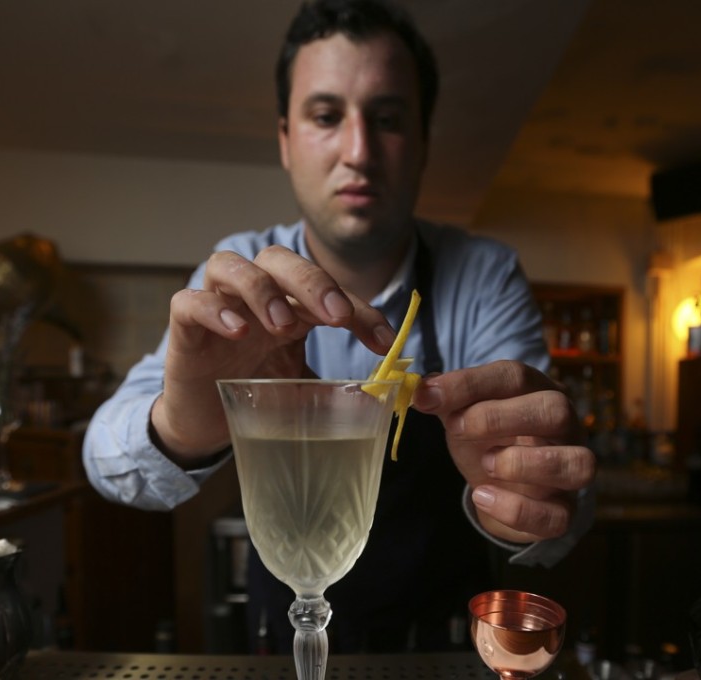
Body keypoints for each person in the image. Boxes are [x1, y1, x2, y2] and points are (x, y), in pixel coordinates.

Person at [84, 0, 596, 654]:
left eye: (386, 119)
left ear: (423, 139)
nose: (358, 151)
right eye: (326, 116)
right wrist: (183, 425)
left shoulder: (485, 276)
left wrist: (526, 497)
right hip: (277, 645)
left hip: (439, 655)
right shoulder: (238, 271)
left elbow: (559, 507)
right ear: (285, 139)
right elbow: (104, 457)